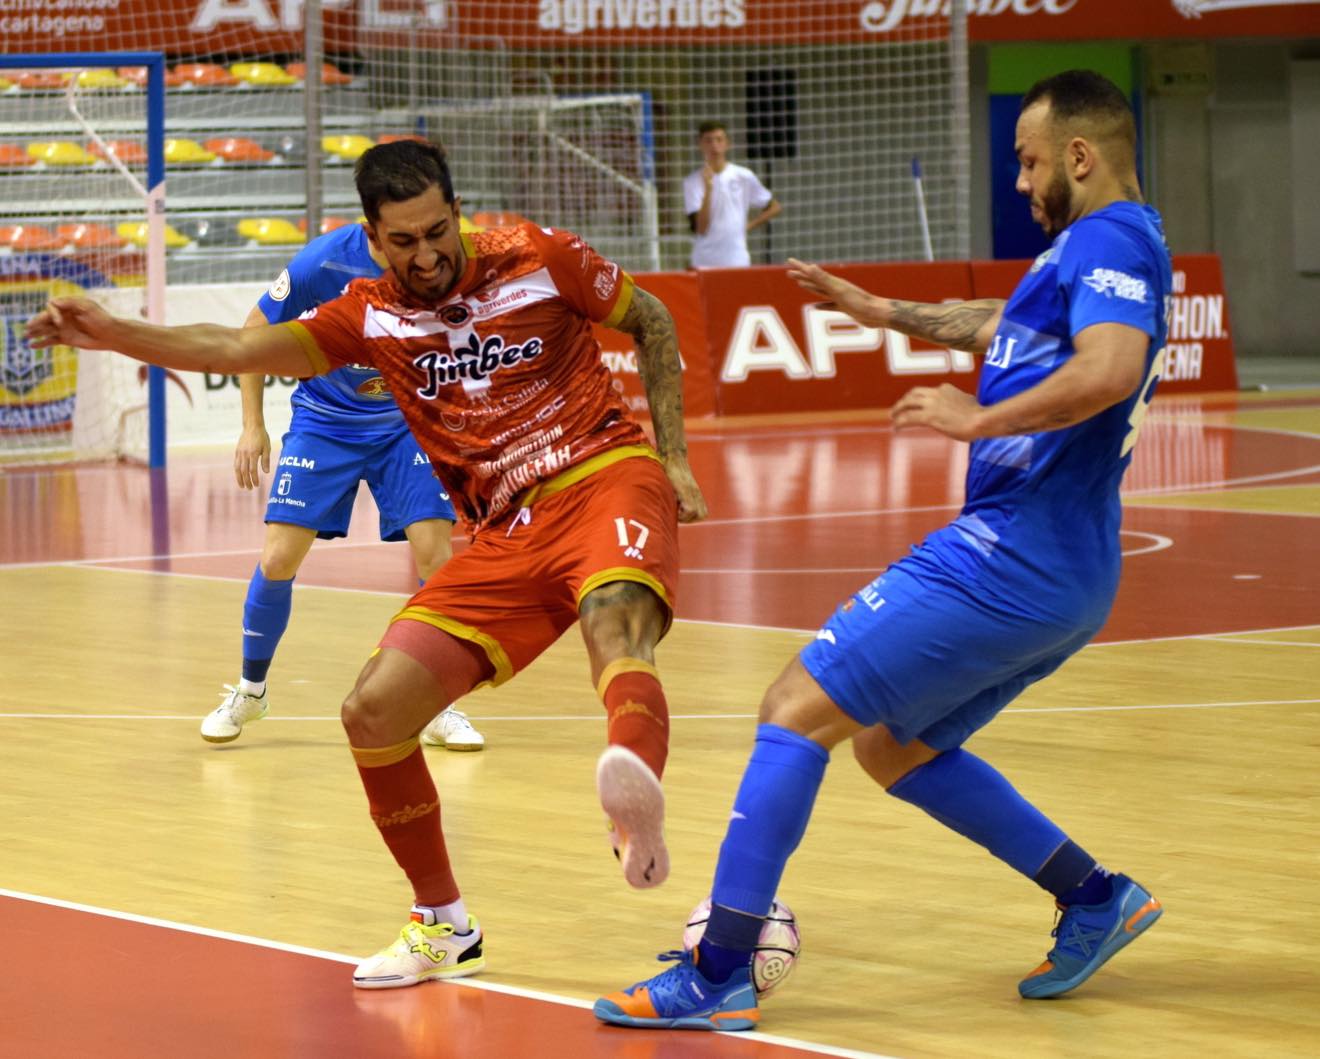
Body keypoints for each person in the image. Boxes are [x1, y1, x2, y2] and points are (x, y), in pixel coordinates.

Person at [28, 139, 707, 989]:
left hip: (602, 473)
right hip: (503, 533)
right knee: (373, 710)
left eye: (437, 231)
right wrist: (117, 330)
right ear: (372, 237)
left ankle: (632, 796)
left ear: (457, 209)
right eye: (403, 241)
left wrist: (672, 456)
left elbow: (653, 319)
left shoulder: (542, 257)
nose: (426, 255)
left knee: (614, 620)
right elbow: (238, 349)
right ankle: (442, 925)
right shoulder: (367, 313)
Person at [595, 68, 1170, 1031]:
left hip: (1009, 554)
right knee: (893, 745)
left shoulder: (1109, 235)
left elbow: (1108, 369)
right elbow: (1000, 324)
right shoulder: (1103, 247)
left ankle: (721, 967)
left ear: (1082, 154)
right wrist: (882, 312)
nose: (1022, 183)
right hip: (1069, 572)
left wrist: (977, 417)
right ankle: (1095, 895)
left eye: (1030, 163)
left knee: (792, 707)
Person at [200, 219, 484, 753]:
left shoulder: (441, 258)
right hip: (325, 422)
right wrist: (252, 425)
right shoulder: (322, 261)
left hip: (405, 421)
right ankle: (250, 690)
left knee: (436, 557)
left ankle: (438, 704)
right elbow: (253, 329)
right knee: (279, 558)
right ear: (373, 225)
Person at [682, 121, 782, 268]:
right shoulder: (692, 182)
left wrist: (747, 226)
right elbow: (701, 228)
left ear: (727, 143)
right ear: (700, 144)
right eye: (708, 140)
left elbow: (774, 207)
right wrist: (708, 189)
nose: (714, 145)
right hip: (704, 261)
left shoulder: (743, 176)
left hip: (736, 258)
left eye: (719, 139)